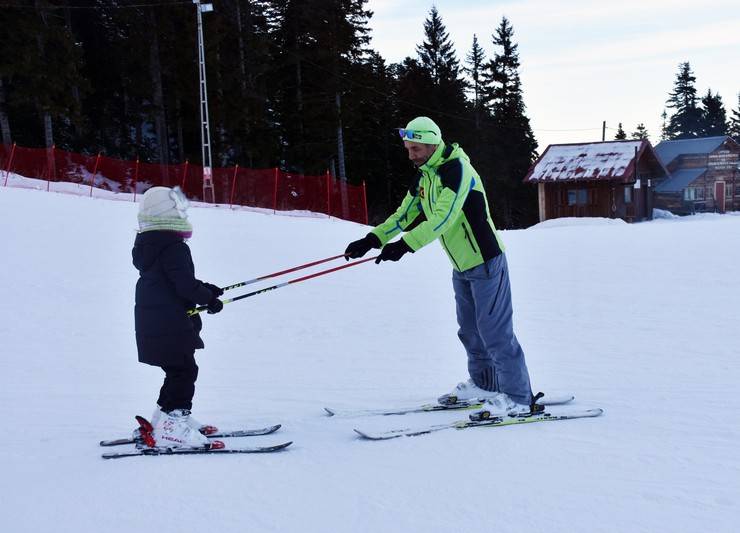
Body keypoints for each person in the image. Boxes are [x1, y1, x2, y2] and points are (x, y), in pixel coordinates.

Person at [344, 116, 539, 416]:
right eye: (408, 149)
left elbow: (443, 218)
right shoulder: (425, 176)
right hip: (461, 266)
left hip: (486, 261)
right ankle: (484, 385)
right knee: (471, 331)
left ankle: (519, 398)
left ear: (433, 144)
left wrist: (405, 246)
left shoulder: (456, 169)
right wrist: (372, 239)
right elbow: (403, 215)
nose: (410, 155)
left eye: (416, 149)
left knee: (495, 332)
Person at [132, 186, 225, 449]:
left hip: (156, 320)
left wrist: (206, 289)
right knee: (184, 370)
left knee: (177, 370)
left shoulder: (149, 244)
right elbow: (183, 285)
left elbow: (172, 279)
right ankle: (174, 423)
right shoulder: (173, 246)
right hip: (170, 323)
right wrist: (208, 299)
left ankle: (164, 419)